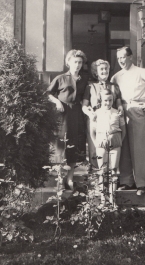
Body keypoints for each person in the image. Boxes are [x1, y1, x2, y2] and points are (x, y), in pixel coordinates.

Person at [111, 46, 145, 196]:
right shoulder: (116, 76)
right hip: (122, 110)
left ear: (130, 57)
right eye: (118, 58)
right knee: (124, 147)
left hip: (137, 110)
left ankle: (141, 183)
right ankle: (126, 181)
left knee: (138, 148)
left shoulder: (142, 72)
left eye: (123, 57)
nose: (121, 60)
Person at [47, 49, 88, 190]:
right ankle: (60, 180)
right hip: (63, 116)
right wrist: (57, 102)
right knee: (61, 148)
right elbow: (47, 94)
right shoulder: (60, 78)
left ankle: (70, 179)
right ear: (68, 62)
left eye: (80, 62)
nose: (77, 65)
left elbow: (85, 98)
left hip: (77, 116)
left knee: (74, 148)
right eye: (75, 62)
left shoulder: (84, 80)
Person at [82, 59, 123, 168]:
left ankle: (111, 182)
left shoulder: (115, 86)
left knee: (113, 151)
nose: (104, 71)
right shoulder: (90, 87)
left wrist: (120, 108)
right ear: (96, 72)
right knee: (95, 150)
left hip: (111, 121)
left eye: (106, 69)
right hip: (96, 121)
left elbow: (119, 104)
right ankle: (97, 181)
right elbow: (84, 106)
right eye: (101, 69)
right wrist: (90, 114)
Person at [91, 89, 126, 205]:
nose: (108, 103)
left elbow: (123, 130)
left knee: (114, 171)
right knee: (102, 171)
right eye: (105, 100)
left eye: (110, 100)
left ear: (113, 100)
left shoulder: (118, 112)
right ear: (101, 100)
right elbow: (92, 131)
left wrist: (118, 140)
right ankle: (102, 200)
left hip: (115, 143)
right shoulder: (96, 113)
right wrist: (96, 142)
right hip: (101, 143)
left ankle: (112, 200)